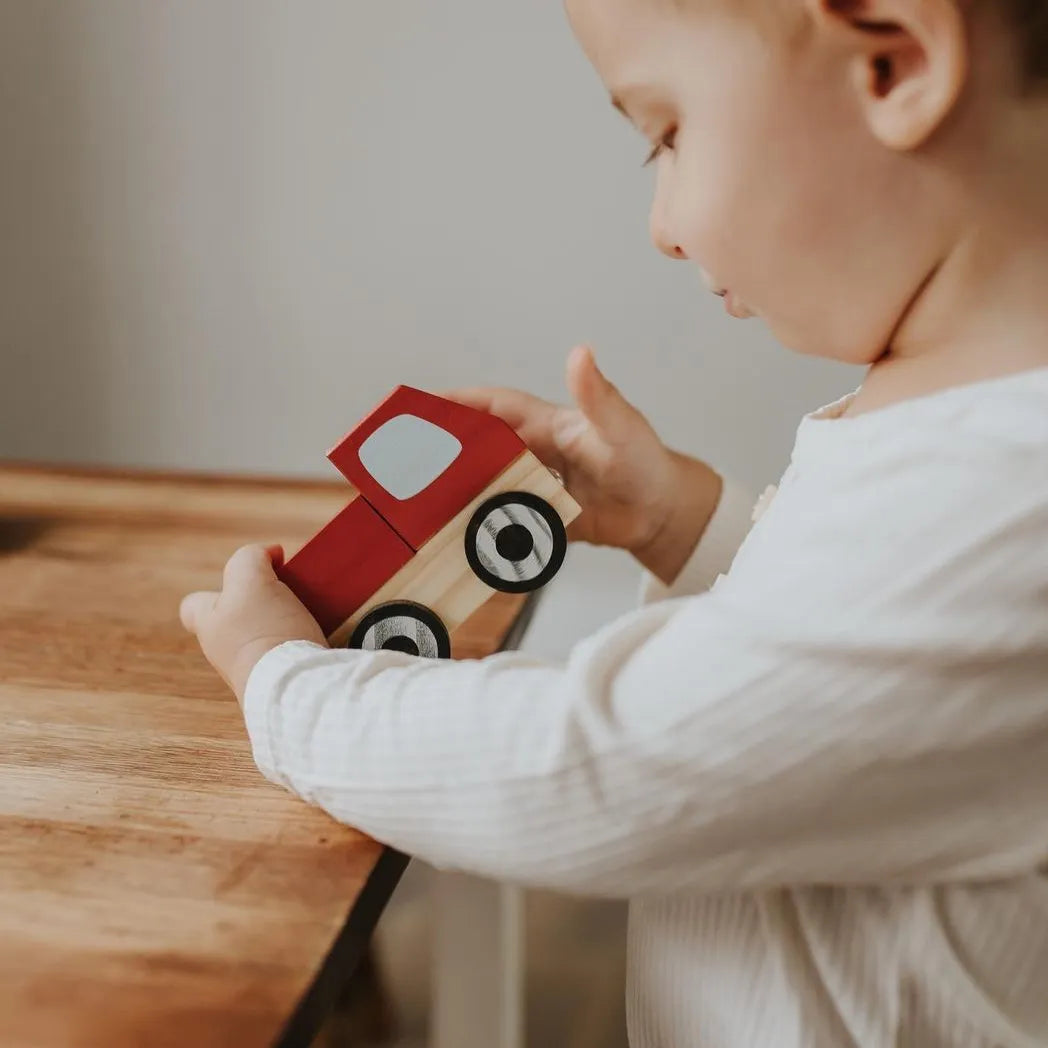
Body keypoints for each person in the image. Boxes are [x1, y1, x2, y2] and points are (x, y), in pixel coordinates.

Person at [180, 1, 1048, 1044]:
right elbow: (831, 689)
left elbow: (601, 768)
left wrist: (289, 688)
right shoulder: (967, 428)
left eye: (666, 133)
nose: (663, 224)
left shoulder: (1006, 497)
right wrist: (682, 525)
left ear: (892, 61)